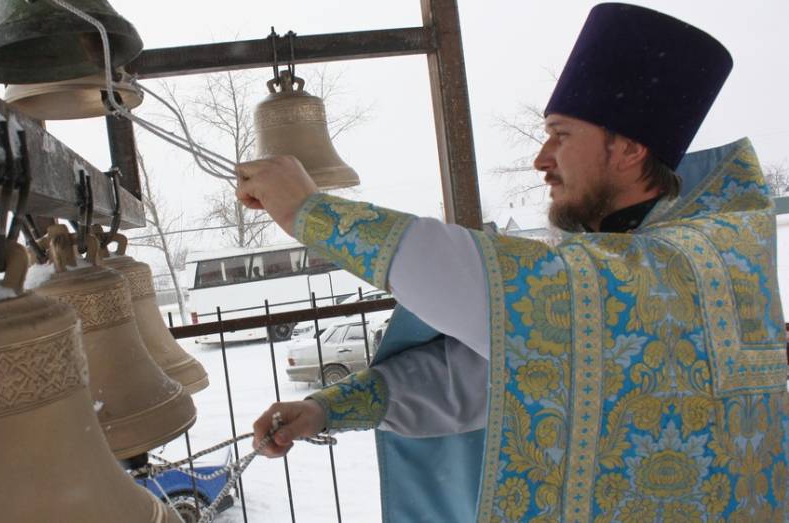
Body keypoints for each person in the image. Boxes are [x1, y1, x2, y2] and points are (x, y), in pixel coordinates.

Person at [238, 4, 789, 522]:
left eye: (561, 135)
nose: (541, 159)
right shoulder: (610, 268)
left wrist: (313, 213)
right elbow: (489, 370)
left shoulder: (696, 257)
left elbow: (497, 287)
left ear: (627, 149)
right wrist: (331, 408)